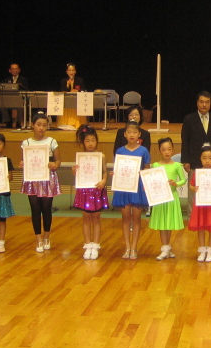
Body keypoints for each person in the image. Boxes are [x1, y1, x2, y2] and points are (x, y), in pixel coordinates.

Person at [20, 112, 61, 252]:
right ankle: (38, 239)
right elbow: (24, 161)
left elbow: (58, 160)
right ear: (33, 125)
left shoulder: (51, 141)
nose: (41, 128)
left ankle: (47, 237)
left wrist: (54, 165)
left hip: (47, 179)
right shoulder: (26, 143)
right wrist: (22, 164)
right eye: (38, 124)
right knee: (35, 209)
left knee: (46, 208)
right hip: (32, 179)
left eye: (44, 125)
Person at [112, 121, 150, 260]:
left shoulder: (143, 150)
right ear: (125, 134)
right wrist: (115, 174)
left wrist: (142, 174)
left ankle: (134, 247)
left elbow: (147, 168)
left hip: (138, 187)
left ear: (139, 134)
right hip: (124, 187)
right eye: (129, 132)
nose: (132, 135)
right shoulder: (120, 151)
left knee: (136, 218)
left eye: (134, 132)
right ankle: (127, 247)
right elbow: (118, 168)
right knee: (126, 217)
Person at [72, 125, 109, 260]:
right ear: (83, 142)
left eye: (93, 140)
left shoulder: (101, 156)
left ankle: (96, 245)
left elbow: (104, 171)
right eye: (87, 141)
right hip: (84, 190)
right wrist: (74, 170)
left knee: (96, 218)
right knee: (86, 218)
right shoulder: (80, 157)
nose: (90, 143)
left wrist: (104, 180)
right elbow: (77, 173)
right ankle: (88, 245)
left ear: (97, 141)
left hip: (96, 189)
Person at [150, 138, 186, 261]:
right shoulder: (156, 165)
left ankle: (167, 248)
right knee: (162, 223)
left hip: (172, 197)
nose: (167, 152)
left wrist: (176, 183)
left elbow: (183, 180)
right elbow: (152, 180)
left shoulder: (177, 165)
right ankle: (165, 249)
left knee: (168, 222)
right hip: (160, 198)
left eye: (169, 149)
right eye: (164, 149)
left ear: (173, 150)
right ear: (159, 151)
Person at [188, 143, 211, 262]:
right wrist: (193, 188)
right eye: (204, 158)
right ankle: (202, 250)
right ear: (200, 158)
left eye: (210, 158)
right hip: (200, 204)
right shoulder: (197, 172)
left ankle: (210, 250)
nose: (207, 161)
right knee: (201, 227)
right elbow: (191, 185)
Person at [181, 91, 211, 174]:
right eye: (201, 102)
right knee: (194, 183)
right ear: (197, 103)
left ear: (210, 103)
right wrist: (185, 160)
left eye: (207, 102)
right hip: (194, 162)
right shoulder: (189, 120)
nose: (204, 105)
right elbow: (185, 141)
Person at [59, 62, 87, 128]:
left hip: (77, 101)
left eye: (73, 70)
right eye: (69, 70)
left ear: (75, 71)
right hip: (67, 102)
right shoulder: (63, 80)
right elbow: (62, 91)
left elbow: (83, 90)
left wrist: (77, 91)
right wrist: (67, 85)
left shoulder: (80, 80)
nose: (71, 72)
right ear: (67, 72)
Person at [1, 62, 29, 128]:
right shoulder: (7, 80)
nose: (15, 70)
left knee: (21, 105)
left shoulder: (23, 79)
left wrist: (20, 86)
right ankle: (8, 121)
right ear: (10, 70)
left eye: (16, 69)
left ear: (19, 70)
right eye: (13, 69)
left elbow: (26, 90)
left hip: (19, 99)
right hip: (9, 99)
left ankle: (18, 123)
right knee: (1, 104)